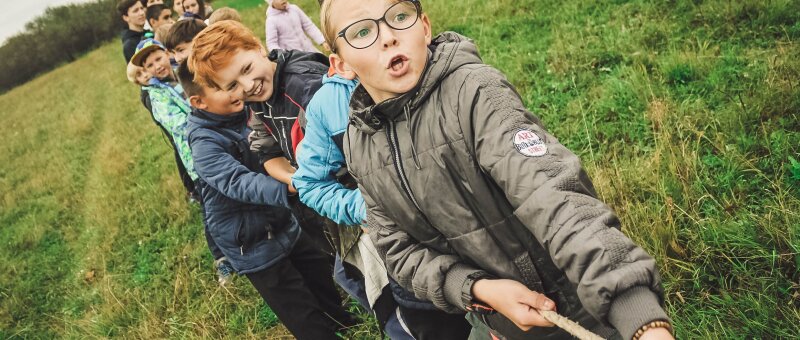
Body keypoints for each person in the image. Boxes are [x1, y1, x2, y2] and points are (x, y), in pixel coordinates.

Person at [321, 1, 676, 339]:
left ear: (425, 27)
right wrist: (478, 289)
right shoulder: (358, 144)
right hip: (492, 318)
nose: (387, 36)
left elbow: (551, 194)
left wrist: (638, 314)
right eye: (362, 32)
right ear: (341, 64)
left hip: (582, 311)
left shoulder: (474, 92)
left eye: (399, 16)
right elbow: (398, 251)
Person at [179, 61, 356, 340]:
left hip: (282, 219)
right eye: (223, 87)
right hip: (249, 240)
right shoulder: (203, 142)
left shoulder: (248, 109)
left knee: (318, 274)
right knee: (295, 302)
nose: (236, 90)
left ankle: (343, 321)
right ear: (199, 101)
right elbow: (236, 182)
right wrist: (288, 188)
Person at [265, 0, 329, 53]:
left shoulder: (294, 9)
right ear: (271, 3)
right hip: (294, 58)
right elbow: (271, 43)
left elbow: (309, 26)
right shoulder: (271, 20)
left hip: (309, 50)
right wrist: (282, 55)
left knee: (323, 65)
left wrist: (322, 41)